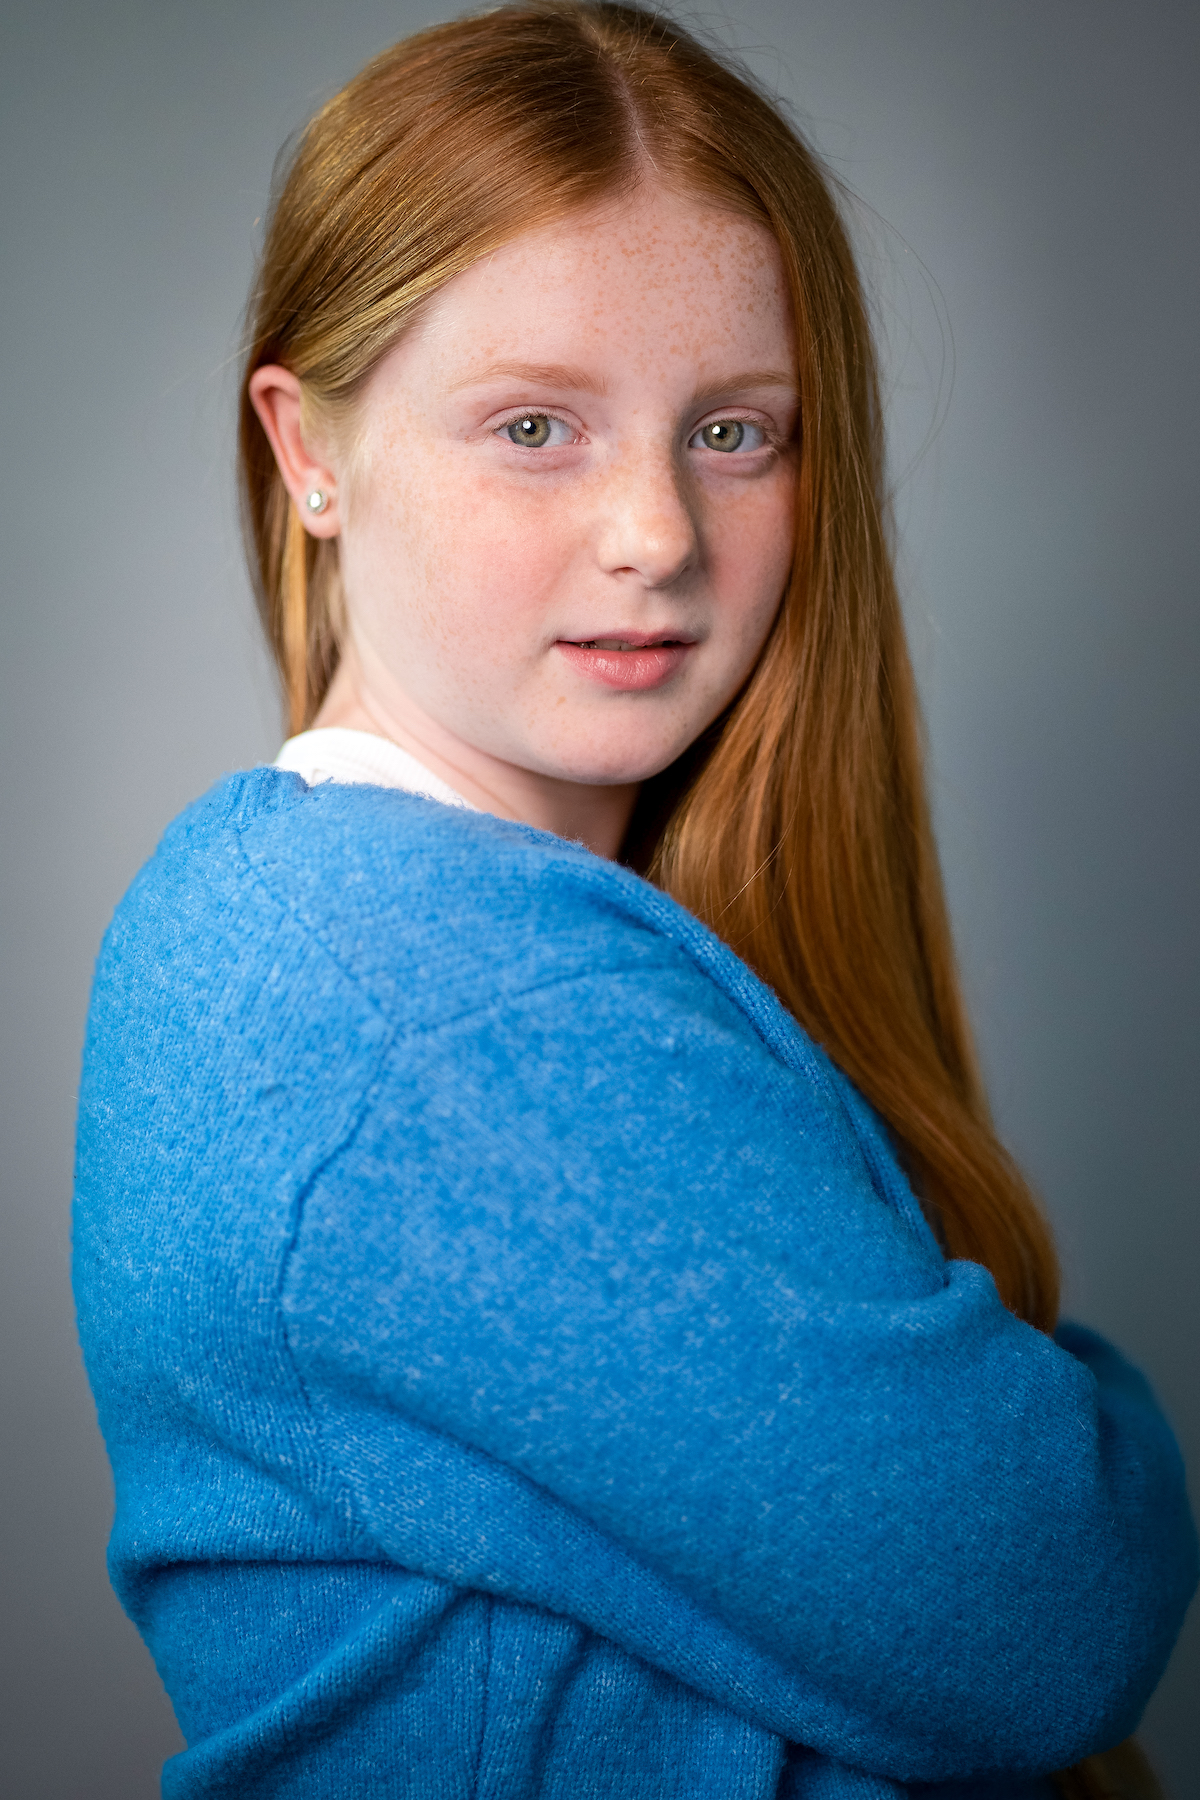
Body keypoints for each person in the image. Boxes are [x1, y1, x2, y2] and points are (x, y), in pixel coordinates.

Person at [72, 5, 1196, 1797]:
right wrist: (1083, 1419)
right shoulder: (416, 999)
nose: (658, 533)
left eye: (736, 433)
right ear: (309, 452)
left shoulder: (334, 921)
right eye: (536, 425)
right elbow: (1059, 1599)